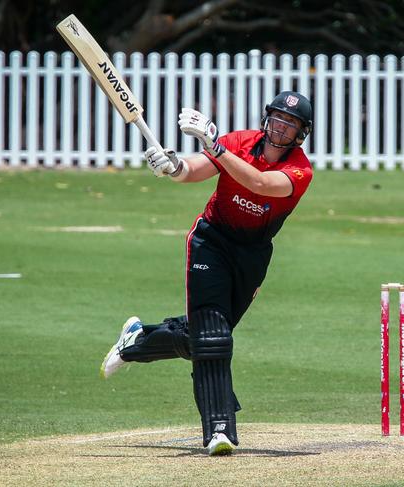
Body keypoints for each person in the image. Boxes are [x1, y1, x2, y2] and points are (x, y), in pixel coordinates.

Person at [100, 91, 314, 456]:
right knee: (214, 339)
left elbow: (261, 185)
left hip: (252, 255)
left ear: (300, 133)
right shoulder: (238, 142)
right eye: (277, 117)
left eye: (290, 123)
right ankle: (220, 431)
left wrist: (216, 147)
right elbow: (195, 171)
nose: (281, 126)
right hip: (211, 242)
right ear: (267, 119)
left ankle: (137, 341)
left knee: (210, 334)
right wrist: (174, 167)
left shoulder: (300, 170)